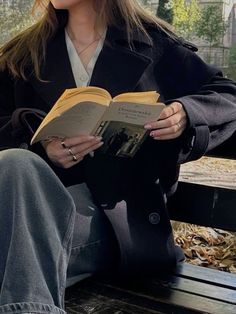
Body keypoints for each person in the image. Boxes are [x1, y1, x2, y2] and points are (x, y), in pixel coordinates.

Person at [0, 0, 236, 313]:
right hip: (32, 205)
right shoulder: (23, 53)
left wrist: (185, 113)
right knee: (18, 163)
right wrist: (41, 148)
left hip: (118, 225)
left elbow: (227, 94)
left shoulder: (155, 46)